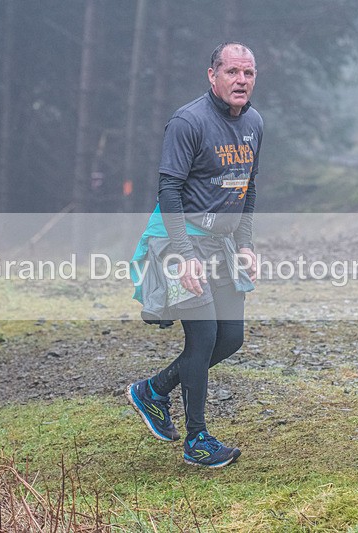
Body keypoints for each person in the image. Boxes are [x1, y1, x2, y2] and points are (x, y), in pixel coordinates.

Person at [126, 42, 262, 468]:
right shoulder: (188, 122)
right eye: (232, 72)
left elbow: (247, 186)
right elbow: (168, 191)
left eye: (248, 73)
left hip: (221, 242)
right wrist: (184, 256)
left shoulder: (254, 122)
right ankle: (197, 439)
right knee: (202, 337)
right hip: (177, 237)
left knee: (231, 337)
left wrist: (245, 244)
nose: (241, 80)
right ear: (212, 75)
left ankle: (152, 389)